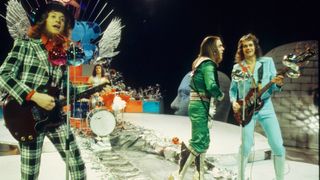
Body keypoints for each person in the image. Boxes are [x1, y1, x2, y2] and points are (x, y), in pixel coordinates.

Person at [0, 2, 86, 179]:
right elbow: (3, 75)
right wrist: (34, 96)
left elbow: (65, 89)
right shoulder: (25, 44)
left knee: (77, 166)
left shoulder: (61, 55)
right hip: (27, 118)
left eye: (62, 19)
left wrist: (92, 89)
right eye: (53, 16)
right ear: (43, 21)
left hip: (55, 117)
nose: (58, 20)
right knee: (30, 174)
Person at [229, 33, 285, 180]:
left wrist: (278, 84)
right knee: (246, 146)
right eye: (245, 46)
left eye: (250, 45)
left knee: (278, 145)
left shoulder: (267, 62)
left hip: (266, 107)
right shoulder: (237, 67)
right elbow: (232, 90)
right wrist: (234, 101)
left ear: (255, 46)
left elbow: (273, 87)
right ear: (241, 49)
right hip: (246, 110)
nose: (248, 48)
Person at [170, 36, 225, 180]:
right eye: (220, 46)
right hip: (201, 105)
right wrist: (221, 96)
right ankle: (179, 174)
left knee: (203, 140)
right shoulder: (208, 64)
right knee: (199, 141)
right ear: (212, 49)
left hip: (198, 104)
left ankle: (199, 174)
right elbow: (211, 86)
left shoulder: (199, 63)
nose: (223, 48)